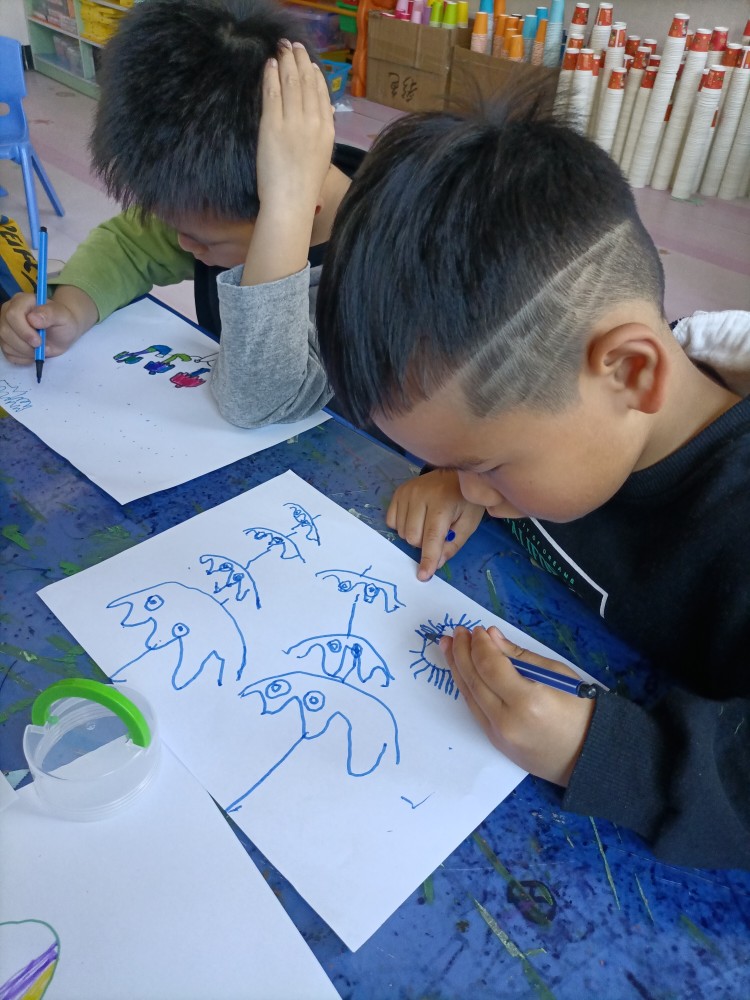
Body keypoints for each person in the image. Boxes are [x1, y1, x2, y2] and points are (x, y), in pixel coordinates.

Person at [315, 85, 750, 870]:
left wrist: (603, 755)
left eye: (484, 465)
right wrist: (458, 473)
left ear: (632, 373)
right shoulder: (571, 416)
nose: (468, 488)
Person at [0, 0, 358, 428]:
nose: (184, 246)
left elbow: (259, 401)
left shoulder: (379, 264)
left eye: (204, 242)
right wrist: (70, 310)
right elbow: (129, 245)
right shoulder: (221, 198)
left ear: (299, 206)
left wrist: (285, 208)